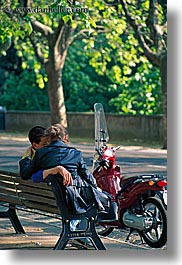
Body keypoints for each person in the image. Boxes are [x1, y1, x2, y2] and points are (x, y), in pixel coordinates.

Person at [19, 124, 110, 214]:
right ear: (65, 137)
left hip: (50, 199)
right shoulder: (75, 154)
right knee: (108, 198)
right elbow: (88, 177)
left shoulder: (40, 154)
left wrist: (27, 157)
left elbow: (25, 174)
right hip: (75, 200)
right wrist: (96, 188)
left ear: (48, 139)